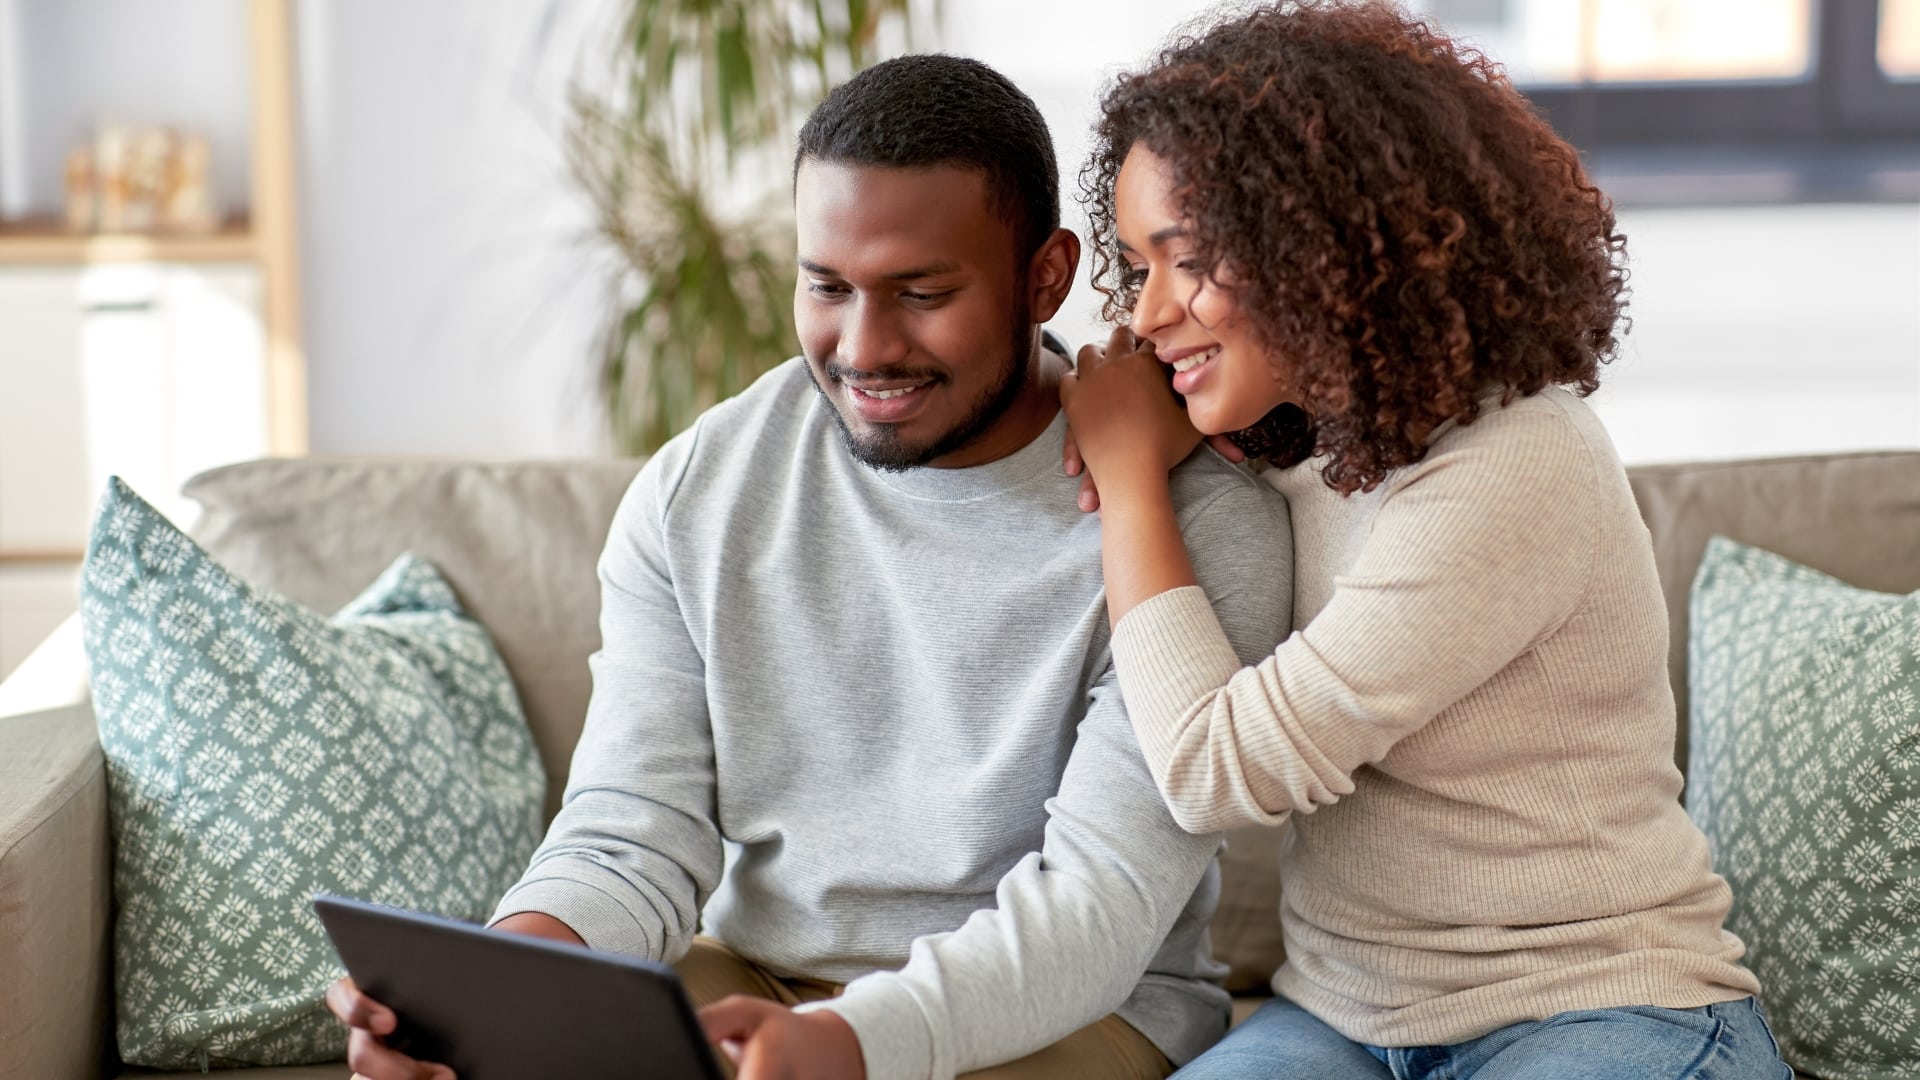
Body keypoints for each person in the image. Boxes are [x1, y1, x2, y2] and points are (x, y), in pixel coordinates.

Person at [328, 54, 1294, 1080]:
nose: (863, 348)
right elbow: (631, 831)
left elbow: (1097, 909)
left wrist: (854, 1042)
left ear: (1045, 275)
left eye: (922, 293)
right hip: (757, 978)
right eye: (826, 286)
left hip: (1066, 1011)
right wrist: (498, 991)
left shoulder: (1189, 518)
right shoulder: (699, 488)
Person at [1057, 4, 1792, 1078]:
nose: (1150, 313)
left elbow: (1219, 771)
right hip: (1344, 1024)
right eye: (1138, 265)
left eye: (1193, 261)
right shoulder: (1289, 436)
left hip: (1604, 1012)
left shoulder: (1512, 460)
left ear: (1330, 245)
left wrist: (1131, 486)